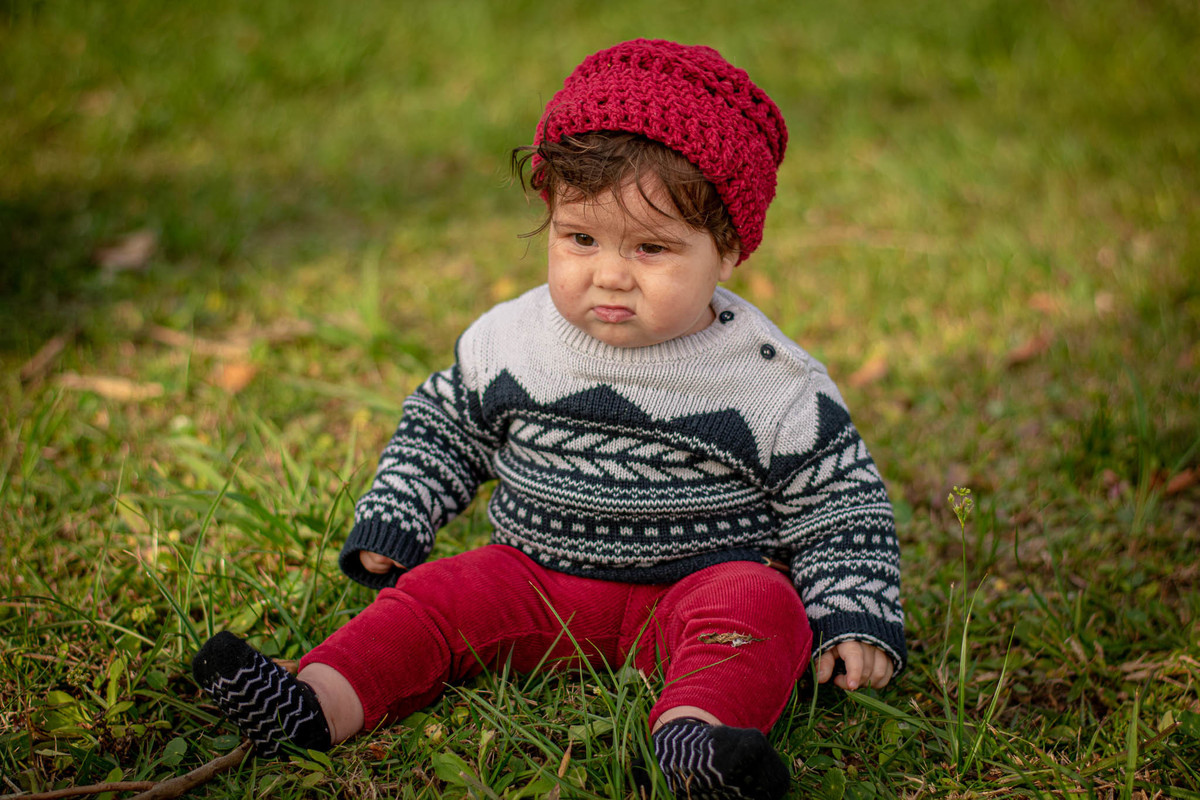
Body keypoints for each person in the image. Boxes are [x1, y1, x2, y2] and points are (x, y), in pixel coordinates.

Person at [192, 39, 905, 800]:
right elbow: (445, 425)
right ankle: (316, 701)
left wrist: (853, 611)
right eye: (581, 238)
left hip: (695, 588)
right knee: (433, 600)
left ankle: (698, 738)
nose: (609, 273)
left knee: (763, 608)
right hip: (532, 577)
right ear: (550, 215)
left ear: (727, 250)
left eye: (653, 248)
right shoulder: (513, 341)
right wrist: (400, 511)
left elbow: (838, 501)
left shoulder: (767, 378)